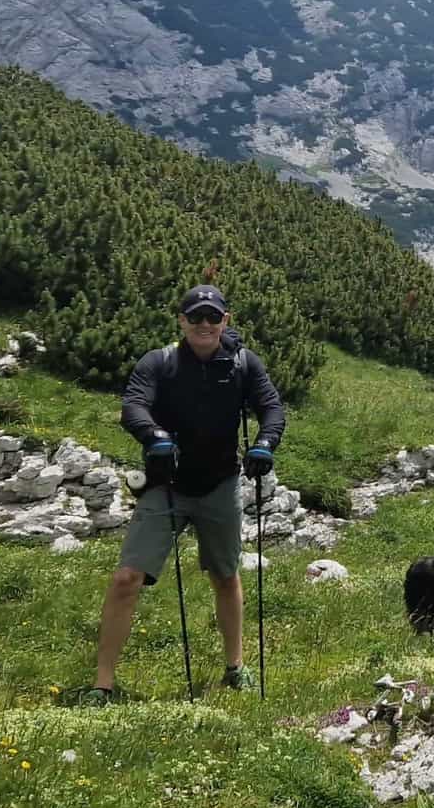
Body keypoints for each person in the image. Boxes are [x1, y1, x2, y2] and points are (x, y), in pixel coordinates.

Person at [78, 285, 286, 703]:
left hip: (221, 483)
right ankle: (102, 684)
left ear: (226, 320)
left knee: (225, 575)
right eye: (195, 317)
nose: (204, 324)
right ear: (181, 321)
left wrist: (265, 443)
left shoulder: (244, 363)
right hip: (166, 484)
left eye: (213, 317)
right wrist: (153, 434)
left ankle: (236, 667)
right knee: (126, 578)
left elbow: (271, 407)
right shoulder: (159, 362)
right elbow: (133, 406)